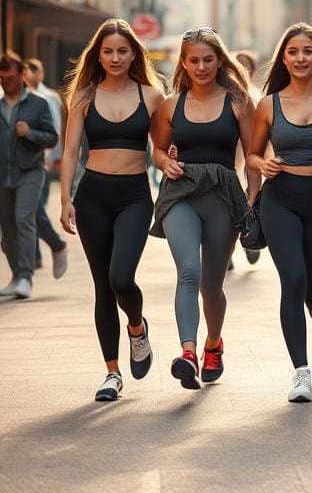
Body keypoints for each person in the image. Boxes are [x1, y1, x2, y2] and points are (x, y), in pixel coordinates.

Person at [59, 20, 166, 401]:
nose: (115, 57)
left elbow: (160, 148)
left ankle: (137, 328)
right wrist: (65, 198)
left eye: (122, 51)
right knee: (102, 286)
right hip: (92, 197)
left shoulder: (152, 96)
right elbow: (70, 151)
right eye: (108, 51)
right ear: (98, 55)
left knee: (121, 277)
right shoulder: (84, 96)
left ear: (134, 53)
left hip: (134, 196)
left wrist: (171, 161)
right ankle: (112, 374)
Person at [247, 24, 312, 402]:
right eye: (292, 52)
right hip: (280, 200)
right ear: (284, 58)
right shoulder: (268, 104)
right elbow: (252, 154)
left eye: (308, 51)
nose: (300, 58)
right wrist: (263, 164)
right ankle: (300, 371)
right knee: (292, 280)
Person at [150, 27, 259, 390]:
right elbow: (158, 150)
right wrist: (164, 162)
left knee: (212, 285)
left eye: (208, 60)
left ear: (219, 61)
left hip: (222, 196)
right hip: (180, 194)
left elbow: (253, 156)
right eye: (193, 60)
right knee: (188, 272)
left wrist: (253, 197)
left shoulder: (238, 102)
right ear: (183, 63)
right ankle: (188, 353)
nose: (201, 67)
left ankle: (213, 343)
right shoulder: (171, 104)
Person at [0, 52, 58, 300]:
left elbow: (52, 137)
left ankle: (25, 276)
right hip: (3, 174)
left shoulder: (38, 103)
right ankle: (16, 276)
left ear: (22, 75)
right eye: (2, 78)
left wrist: (30, 133)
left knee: (23, 218)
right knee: (7, 226)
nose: (6, 82)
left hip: (30, 170)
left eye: (10, 77)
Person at [24, 58, 68, 277]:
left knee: (34, 210)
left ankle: (54, 246)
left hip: (42, 161)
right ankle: (34, 257)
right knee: (27, 212)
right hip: (17, 164)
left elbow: (55, 129)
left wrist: (55, 157)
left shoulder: (47, 97)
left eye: (33, 72)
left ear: (40, 74)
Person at [233, 49, 262, 266]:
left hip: (250, 152)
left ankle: (248, 239)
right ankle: (227, 252)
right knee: (228, 203)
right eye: (238, 64)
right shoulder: (225, 93)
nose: (242, 68)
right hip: (230, 155)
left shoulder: (255, 94)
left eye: (246, 65)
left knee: (245, 199)